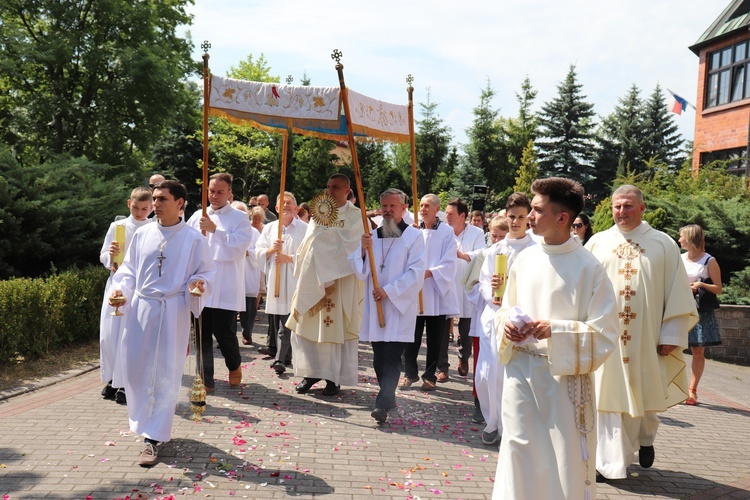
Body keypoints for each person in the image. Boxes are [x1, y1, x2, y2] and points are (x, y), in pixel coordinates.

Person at [493, 177, 619, 499]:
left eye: (536, 210)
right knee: (518, 451)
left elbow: (605, 334)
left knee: (562, 459)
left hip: (563, 384)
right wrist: (507, 324)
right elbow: (506, 308)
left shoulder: (589, 267)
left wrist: (557, 330)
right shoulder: (525, 259)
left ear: (562, 218)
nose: (528, 217)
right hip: (520, 372)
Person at [585, 184, 698, 481]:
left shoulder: (662, 244)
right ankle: (608, 463)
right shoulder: (597, 243)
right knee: (607, 399)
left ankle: (646, 439)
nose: (622, 212)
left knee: (644, 400)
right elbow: (581, 287)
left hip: (647, 337)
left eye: (628, 206)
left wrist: (671, 335)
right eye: (617, 206)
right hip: (606, 336)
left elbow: (677, 293)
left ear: (642, 208)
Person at [109, 180, 215, 467]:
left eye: (162, 199)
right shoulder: (143, 234)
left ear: (180, 203)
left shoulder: (194, 239)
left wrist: (198, 284)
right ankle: (143, 421)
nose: (155, 204)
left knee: (163, 373)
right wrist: (121, 291)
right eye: (154, 198)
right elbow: (129, 270)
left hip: (172, 312)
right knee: (134, 369)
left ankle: (153, 438)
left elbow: (204, 272)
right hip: (141, 309)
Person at [349, 188, 425, 423]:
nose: (388, 211)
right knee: (378, 357)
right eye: (385, 206)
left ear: (404, 208)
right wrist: (362, 249)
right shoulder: (372, 235)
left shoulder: (414, 237)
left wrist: (389, 291)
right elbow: (359, 269)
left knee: (392, 355)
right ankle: (389, 397)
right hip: (376, 306)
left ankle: (382, 404)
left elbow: (416, 272)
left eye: (393, 206)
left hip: (398, 306)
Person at [286, 174, 364, 395]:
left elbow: (350, 247)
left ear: (347, 190)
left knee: (332, 332)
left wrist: (325, 244)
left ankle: (333, 378)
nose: (330, 191)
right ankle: (311, 374)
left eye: (335, 188)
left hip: (337, 283)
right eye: (328, 186)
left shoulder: (356, 216)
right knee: (309, 330)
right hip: (313, 280)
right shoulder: (319, 212)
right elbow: (308, 243)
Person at [475, 192, 536, 446]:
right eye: (512, 216)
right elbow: (482, 281)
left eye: (521, 217)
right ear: (505, 216)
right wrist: (492, 290)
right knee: (488, 374)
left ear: (528, 218)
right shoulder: (496, 249)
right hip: (494, 316)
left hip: (521, 318)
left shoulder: (536, 250)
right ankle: (492, 422)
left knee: (514, 374)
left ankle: (511, 425)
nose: (516, 222)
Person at [187, 173, 254, 393]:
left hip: (225, 283)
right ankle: (206, 378)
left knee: (224, 333)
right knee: (201, 333)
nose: (214, 196)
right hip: (202, 284)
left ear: (229, 194)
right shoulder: (197, 215)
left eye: (219, 192)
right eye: (211, 191)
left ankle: (234, 365)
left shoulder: (239, 218)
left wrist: (215, 230)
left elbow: (239, 247)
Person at [99, 187, 154, 404]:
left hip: (139, 287)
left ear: (151, 208)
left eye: (144, 209)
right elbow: (103, 255)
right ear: (128, 203)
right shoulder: (117, 226)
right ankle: (113, 378)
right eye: (135, 207)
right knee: (109, 334)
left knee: (128, 335)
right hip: (116, 284)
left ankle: (126, 383)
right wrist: (110, 256)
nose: (139, 212)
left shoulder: (153, 228)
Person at [400, 194, 459, 391]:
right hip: (415, 292)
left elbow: (450, 260)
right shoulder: (413, 231)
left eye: (427, 206)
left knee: (435, 338)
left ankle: (430, 376)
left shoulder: (446, 232)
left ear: (436, 209)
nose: (423, 209)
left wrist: (430, 273)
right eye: (421, 206)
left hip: (435, 291)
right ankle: (409, 373)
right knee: (411, 336)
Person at [256, 192, 307, 375]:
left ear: (296, 208)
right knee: (278, 322)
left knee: (287, 323)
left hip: (293, 282)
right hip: (275, 281)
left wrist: (289, 258)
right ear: (276, 208)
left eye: (289, 203)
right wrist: (271, 250)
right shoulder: (270, 228)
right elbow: (258, 252)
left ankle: (280, 358)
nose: (286, 206)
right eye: (282, 204)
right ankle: (284, 355)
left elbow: (310, 256)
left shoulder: (304, 229)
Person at [463, 215, 507, 425]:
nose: (497, 240)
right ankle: (478, 403)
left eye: (502, 236)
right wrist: (487, 289)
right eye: (494, 236)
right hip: (484, 314)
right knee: (482, 364)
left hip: (506, 317)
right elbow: (469, 286)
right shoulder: (483, 255)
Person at [679, 224, 723, 406]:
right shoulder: (679, 259)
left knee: (698, 351)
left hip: (700, 312)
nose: (679, 240)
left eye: (682, 237)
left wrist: (701, 285)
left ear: (690, 239)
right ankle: (674, 387)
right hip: (680, 308)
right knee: (670, 347)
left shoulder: (709, 261)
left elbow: (718, 288)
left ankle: (692, 391)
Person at [445, 199, 486, 379]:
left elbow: (481, 253)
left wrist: (463, 255)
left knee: (465, 326)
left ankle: (463, 356)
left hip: (466, 282)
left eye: (450, 214)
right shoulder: (443, 231)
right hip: (445, 282)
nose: (447, 217)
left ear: (462, 216)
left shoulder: (476, 232)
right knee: (443, 325)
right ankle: (442, 366)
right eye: (446, 213)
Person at [230, 201, 261, 346]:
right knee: (229, 310)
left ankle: (247, 333)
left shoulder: (254, 232)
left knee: (248, 309)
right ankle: (227, 336)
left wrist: (248, 252)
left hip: (248, 272)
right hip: (231, 275)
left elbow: (260, 252)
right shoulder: (226, 230)